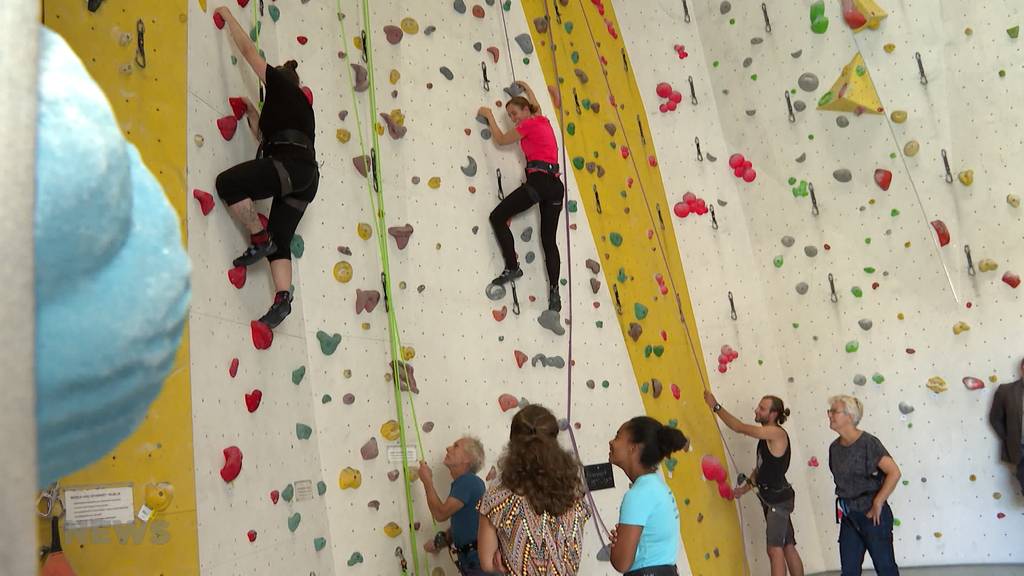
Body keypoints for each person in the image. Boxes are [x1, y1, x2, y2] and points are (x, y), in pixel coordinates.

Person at [213, 6, 320, 329]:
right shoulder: (302, 112)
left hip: (289, 167)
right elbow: (267, 137)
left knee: (227, 184)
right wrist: (251, 113)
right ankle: (282, 300)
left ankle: (259, 238)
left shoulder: (281, 84)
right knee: (282, 240)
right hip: (308, 178)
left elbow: (247, 50)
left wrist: (229, 16)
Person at [478, 81, 565, 312]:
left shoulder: (528, 124)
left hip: (540, 183)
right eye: (509, 116)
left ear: (526, 111)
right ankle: (555, 294)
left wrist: (489, 116)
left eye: (514, 113)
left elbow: (500, 139)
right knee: (549, 242)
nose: (513, 119)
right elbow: (535, 104)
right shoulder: (542, 120)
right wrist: (527, 87)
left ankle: (513, 267)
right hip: (556, 187)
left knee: (497, 217)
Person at [477, 405, 590, 575]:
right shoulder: (573, 494)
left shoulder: (496, 498)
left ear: (512, 442)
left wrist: (506, 559)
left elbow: (487, 563)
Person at [704, 392, 804, 576]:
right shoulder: (766, 439)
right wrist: (744, 488)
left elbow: (739, 427)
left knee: (774, 550)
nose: (757, 410)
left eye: (762, 408)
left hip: (777, 501)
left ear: (773, 414)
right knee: (788, 546)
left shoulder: (776, 433)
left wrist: (716, 406)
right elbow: (760, 469)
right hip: (776, 499)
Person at [827, 395, 901, 576]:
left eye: (834, 411)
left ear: (849, 416)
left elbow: (894, 472)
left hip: (873, 516)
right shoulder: (834, 448)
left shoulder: (868, 443)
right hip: (849, 516)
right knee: (849, 571)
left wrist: (878, 502)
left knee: (886, 569)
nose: (829, 415)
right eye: (829, 411)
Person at [607, 416, 688, 576]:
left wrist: (617, 547)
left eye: (617, 437)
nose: (611, 442)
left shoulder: (638, 495)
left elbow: (621, 563)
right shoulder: (658, 487)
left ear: (634, 448)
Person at [417, 437, 487, 575]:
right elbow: (466, 525)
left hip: (478, 564)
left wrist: (427, 482)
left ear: (468, 458)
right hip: (473, 563)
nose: (448, 448)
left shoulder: (468, 481)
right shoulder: (469, 483)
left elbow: (440, 514)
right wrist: (439, 543)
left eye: (456, 446)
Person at [988, 358, 1024, 494]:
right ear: (1022, 368)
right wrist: (1008, 437)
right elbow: (995, 418)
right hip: (1020, 449)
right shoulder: (1006, 391)